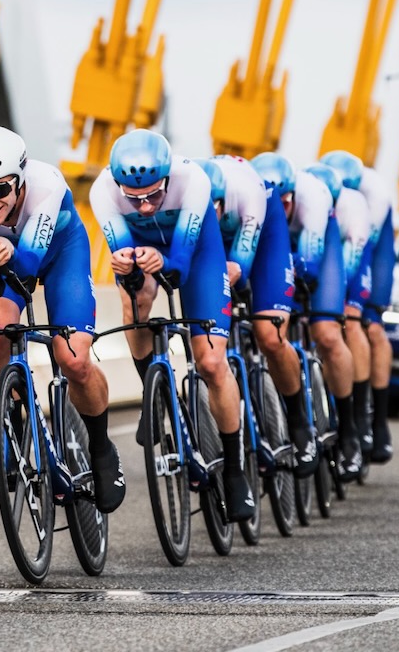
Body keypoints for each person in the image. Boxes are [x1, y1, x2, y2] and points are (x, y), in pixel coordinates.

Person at [0, 126, 126, 513]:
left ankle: (101, 445)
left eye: (0, 189)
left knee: (73, 359)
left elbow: (27, 263)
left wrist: (1, 250)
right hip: (3, 260)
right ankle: (12, 427)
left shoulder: (47, 185)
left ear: (21, 179)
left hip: (60, 255)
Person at [89, 130, 256, 522]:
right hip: (145, 253)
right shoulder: (102, 192)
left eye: (154, 195)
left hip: (197, 253)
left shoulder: (192, 180)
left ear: (167, 179)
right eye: (134, 198)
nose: (145, 208)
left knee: (212, 364)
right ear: (118, 186)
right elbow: (125, 257)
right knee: (135, 301)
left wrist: (161, 261)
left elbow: (180, 260)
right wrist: (127, 264)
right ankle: (155, 392)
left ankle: (234, 470)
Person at [198, 154, 317, 480]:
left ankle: (298, 422)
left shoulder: (247, 192)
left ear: (221, 203)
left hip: (262, 234)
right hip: (213, 240)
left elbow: (239, 265)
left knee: (270, 336)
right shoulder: (189, 200)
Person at [252, 153, 363, 481]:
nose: (282, 210)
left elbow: (310, 265)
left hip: (317, 249)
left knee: (327, 333)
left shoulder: (313, 197)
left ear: (294, 197)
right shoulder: (257, 204)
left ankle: (350, 432)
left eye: (286, 203)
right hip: (273, 246)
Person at [324, 153, 397, 464]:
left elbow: (360, 250)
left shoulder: (374, 195)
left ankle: (373, 420)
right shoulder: (321, 187)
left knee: (361, 323)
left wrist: (349, 298)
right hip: (333, 238)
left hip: (369, 247)